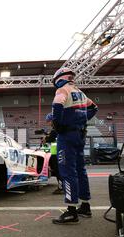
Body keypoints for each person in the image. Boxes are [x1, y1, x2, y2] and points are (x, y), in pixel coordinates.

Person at [49, 67, 98, 225]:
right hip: (80, 135)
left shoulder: (62, 90)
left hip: (67, 136)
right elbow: (94, 108)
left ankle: (71, 211)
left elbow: (57, 106)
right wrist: (81, 119)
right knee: (80, 170)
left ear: (58, 79)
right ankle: (85, 206)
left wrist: (58, 124)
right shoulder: (81, 93)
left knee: (67, 171)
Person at [43, 113, 63, 194]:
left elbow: (51, 138)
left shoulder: (55, 129)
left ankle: (62, 187)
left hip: (57, 154)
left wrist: (46, 138)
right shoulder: (58, 128)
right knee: (59, 171)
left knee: (59, 171)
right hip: (59, 153)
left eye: (48, 121)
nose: (48, 123)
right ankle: (63, 187)